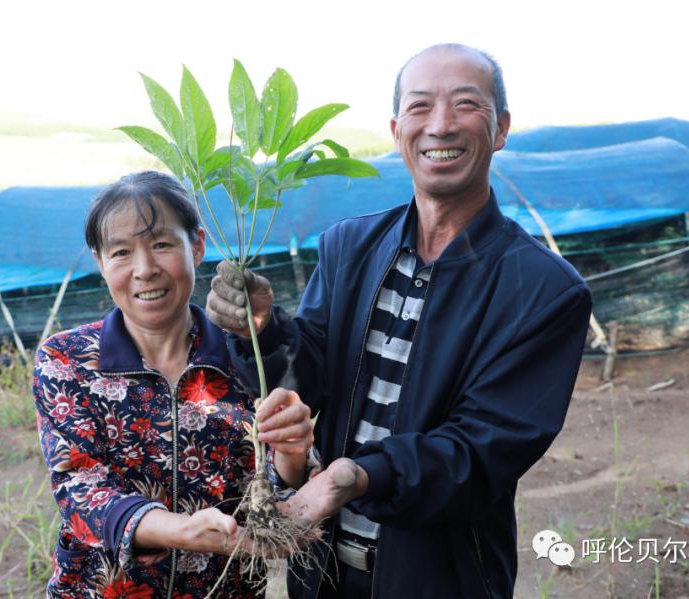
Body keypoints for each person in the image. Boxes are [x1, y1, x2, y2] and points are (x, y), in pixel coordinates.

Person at [207, 44, 593, 597]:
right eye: (419, 107)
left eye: (466, 104)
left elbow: (482, 449)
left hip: (440, 576)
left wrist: (358, 476)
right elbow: (309, 375)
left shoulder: (545, 291)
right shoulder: (349, 245)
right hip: (323, 570)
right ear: (395, 129)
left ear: (501, 127)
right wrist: (263, 330)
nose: (440, 125)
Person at [33, 171, 314, 598]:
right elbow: (80, 493)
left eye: (162, 245)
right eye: (122, 252)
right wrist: (183, 530)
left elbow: (274, 488)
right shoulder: (68, 360)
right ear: (100, 262)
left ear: (198, 244)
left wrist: (293, 454)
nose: (145, 270)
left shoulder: (245, 356)